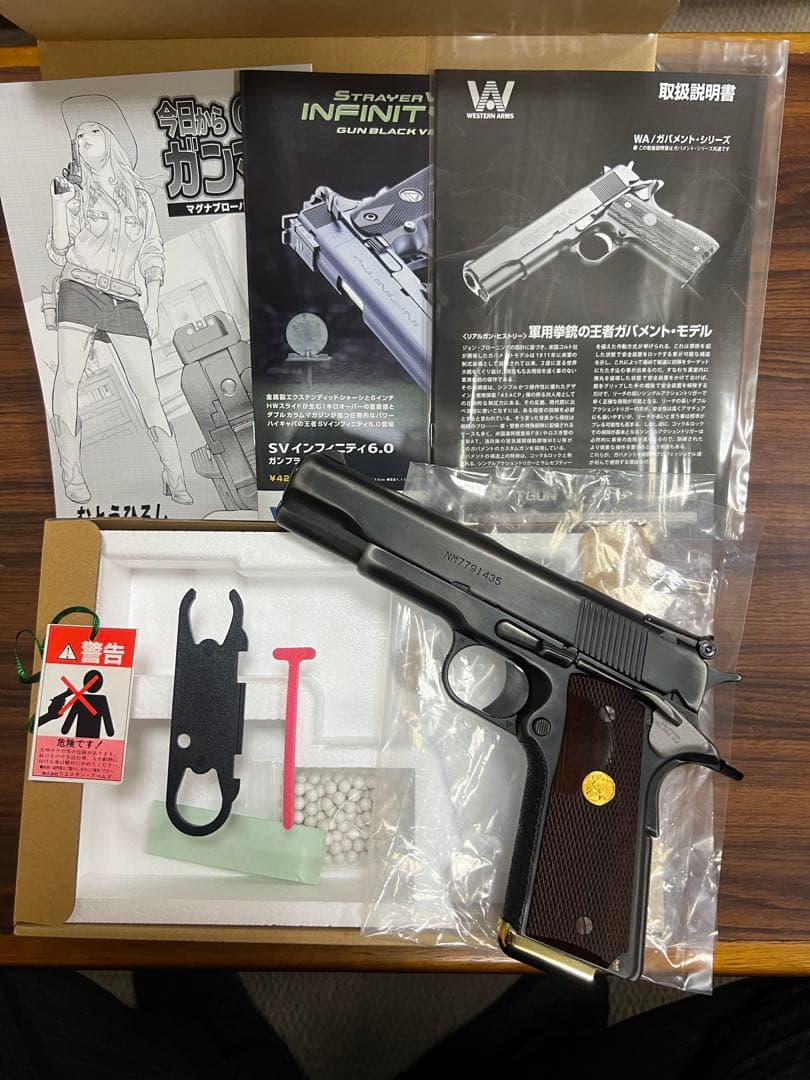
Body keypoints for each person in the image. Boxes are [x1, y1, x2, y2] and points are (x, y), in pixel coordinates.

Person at [46, 93, 192, 506]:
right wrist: (59, 205)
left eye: (94, 130)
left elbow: (152, 250)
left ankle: (174, 474)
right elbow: (58, 250)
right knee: (69, 377)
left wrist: (153, 302)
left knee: (148, 390)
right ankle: (71, 471)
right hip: (78, 286)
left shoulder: (139, 199)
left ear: (111, 138)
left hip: (124, 297)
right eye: (79, 135)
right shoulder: (73, 191)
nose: (85, 139)